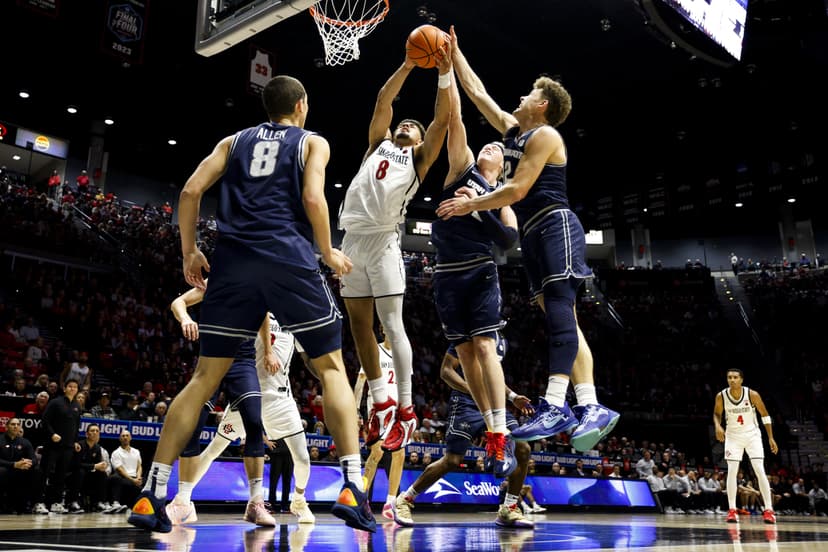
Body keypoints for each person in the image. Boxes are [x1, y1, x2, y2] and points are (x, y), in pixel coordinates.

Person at [128, 74, 372, 534]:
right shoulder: (312, 141)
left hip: (233, 265)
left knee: (203, 379)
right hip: (287, 259)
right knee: (332, 368)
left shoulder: (233, 141)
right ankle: (352, 486)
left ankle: (151, 494)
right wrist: (327, 250)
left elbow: (189, 192)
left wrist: (189, 251)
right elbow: (312, 196)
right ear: (301, 105)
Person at [436, 27, 618, 447]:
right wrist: (455, 56)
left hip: (555, 224)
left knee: (559, 312)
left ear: (542, 105)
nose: (520, 97)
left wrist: (470, 204)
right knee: (563, 317)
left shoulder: (546, 135)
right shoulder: (513, 132)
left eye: (528, 94)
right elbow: (478, 93)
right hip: (534, 234)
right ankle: (590, 404)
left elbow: (516, 190)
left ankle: (555, 403)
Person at [337, 47, 451, 453]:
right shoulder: (376, 145)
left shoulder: (418, 158)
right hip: (351, 241)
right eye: (403, 123)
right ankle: (381, 403)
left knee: (392, 326)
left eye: (412, 127)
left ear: (419, 140)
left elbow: (441, 121)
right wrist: (407, 65)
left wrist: (444, 73)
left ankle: (406, 409)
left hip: (384, 242)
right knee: (359, 327)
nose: (406, 125)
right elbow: (383, 101)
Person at [429, 63, 519, 478]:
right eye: (488, 145)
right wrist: (446, 71)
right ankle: (491, 426)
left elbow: (508, 241)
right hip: (446, 273)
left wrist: (477, 208)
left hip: (480, 271)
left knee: (484, 347)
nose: (490, 148)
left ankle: (499, 434)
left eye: (497, 149)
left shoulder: (503, 196)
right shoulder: (460, 167)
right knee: (465, 354)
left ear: (503, 166)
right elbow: (455, 118)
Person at [166, 308, 314, 526]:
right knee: (213, 450)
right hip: (247, 395)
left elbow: (309, 358)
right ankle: (183, 500)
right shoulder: (252, 309)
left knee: (302, 458)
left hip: (279, 400)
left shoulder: (294, 320)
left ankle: (299, 500)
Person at [393, 334, 536, 528]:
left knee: (523, 448)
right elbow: (446, 371)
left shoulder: (502, 341)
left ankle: (509, 508)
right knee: (452, 460)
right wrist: (474, 390)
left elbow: (492, 376)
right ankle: (405, 499)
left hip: (494, 403)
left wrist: (512, 396)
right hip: (465, 403)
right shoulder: (470, 335)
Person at [353, 322, 405, 520]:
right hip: (378, 407)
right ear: (383, 329)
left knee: (400, 454)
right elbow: (361, 381)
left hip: (399, 408)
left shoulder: (403, 353)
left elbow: (405, 384)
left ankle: (390, 503)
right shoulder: (374, 350)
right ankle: (361, 500)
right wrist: (356, 410)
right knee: (377, 453)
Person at [713, 368, 778, 524]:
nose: (732, 380)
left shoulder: (752, 394)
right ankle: (732, 510)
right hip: (733, 436)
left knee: (759, 470)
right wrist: (717, 426)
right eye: (729, 377)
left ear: (741, 379)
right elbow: (717, 414)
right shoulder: (721, 396)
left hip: (752, 435)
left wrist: (770, 437)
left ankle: (769, 510)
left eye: (735, 377)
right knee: (732, 471)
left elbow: (765, 415)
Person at [41, 378, 82, 513]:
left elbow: (76, 426)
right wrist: (52, 434)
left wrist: (75, 441)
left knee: (61, 475)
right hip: (53, 445)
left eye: (75, 387)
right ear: (64, 388)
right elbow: (45, 421)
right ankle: (39, 502)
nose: (72, 389)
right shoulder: (55, 402)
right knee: (45, 473)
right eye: (70, 386)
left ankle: (56, 502)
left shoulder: (77, 406)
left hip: (68, 447)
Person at [0, 418, 42, 514]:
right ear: (6, 427)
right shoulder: (0, 440)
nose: (16, 426)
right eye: (13, 424)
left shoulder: (25, 442)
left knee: (36, 471)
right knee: (1, 471)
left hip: (20, 470)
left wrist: (27, 463)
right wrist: (14, 464)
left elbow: (34, 459)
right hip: (5, 469)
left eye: (18, 424)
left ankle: (33, 504)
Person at [74, 422, 112, 512]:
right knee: (80, 471)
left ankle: (98, 502)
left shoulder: (97, 448)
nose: (95, 432)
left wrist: (102, 467)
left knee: (102, 474)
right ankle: (73, 501)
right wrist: (94, 466)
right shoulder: (79, 445)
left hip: (89, 475)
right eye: (92, 431)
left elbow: (97, 465)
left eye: (97, 431)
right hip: (75, 475)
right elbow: (76, 464)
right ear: (87, 434)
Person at [108, 430, 142, 513]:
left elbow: (139, 466)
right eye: (123, 436)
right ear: (120, 439)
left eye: (127, 435)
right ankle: (115, 503)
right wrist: (133, 480)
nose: (125, 437)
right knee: (116, 478)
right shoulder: (116, 453)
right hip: (124, 477)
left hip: (135, 478)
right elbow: (120, 470)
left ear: (130, 438)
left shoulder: (136, 451)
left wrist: (138, 478)